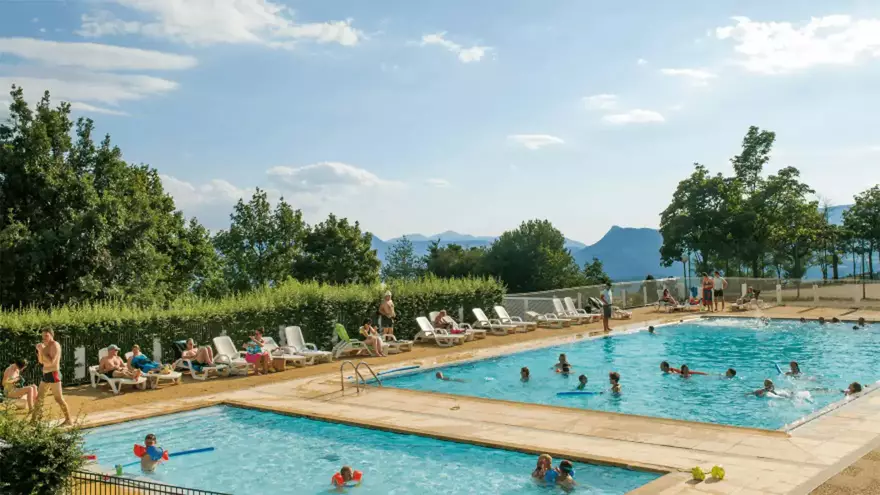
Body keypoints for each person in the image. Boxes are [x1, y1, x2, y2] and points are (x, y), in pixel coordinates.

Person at [33, 328, 72, 425]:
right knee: (39, 398)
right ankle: (33, 421)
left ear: (51, 335)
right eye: (43, 336)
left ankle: (68, 420)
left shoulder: (55, 345)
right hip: (46, 375)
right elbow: (41, 362)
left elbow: (51, 362)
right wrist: (39, 351)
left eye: (46, 336)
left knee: (58, 399)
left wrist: (41, 350)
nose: (44, 338)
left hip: (54, 374)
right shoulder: (45, 346)